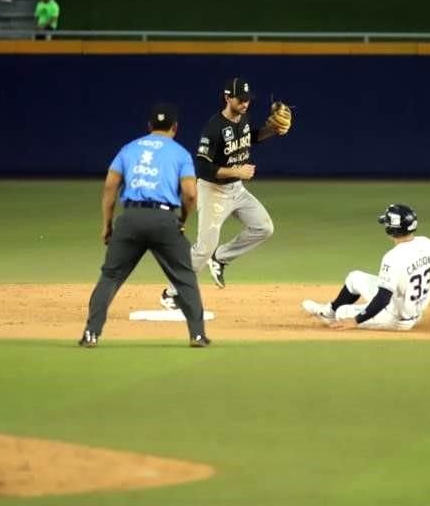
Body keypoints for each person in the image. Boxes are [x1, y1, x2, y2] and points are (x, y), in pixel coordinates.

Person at [80, 103, 212, 348]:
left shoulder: (129, 149)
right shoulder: (180, 153)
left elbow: (110, 186)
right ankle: (197, 335)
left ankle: (91, 333)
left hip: (130, 219)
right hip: (164, 220)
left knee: (110, 277)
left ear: (149, 126)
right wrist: (181, 220)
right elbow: (191, 194)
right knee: (184, 278)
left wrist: (107, 225)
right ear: (175, 127)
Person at [159, 77, 291, 310]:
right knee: (203, 248)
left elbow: (251, 138)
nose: (245, 104)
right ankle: (171, 293)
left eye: (248, 99)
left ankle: (220, 258)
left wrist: (272, 131)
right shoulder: (214, 128)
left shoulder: (243, 119)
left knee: (263, 227)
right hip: (213, 190)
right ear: (228, 97)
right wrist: (236, 170)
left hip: (236, 190)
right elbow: (202, 167)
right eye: (241, 99)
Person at [302, 204, 430, 331]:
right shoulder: (428, 243)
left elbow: (382, 299)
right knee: (355, 277)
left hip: (396, 318)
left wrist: (355, 321)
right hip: (412, 310)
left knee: (342, 312)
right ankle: (328, 312)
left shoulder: (393, 257)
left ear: (390, 229)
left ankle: (333, 314)